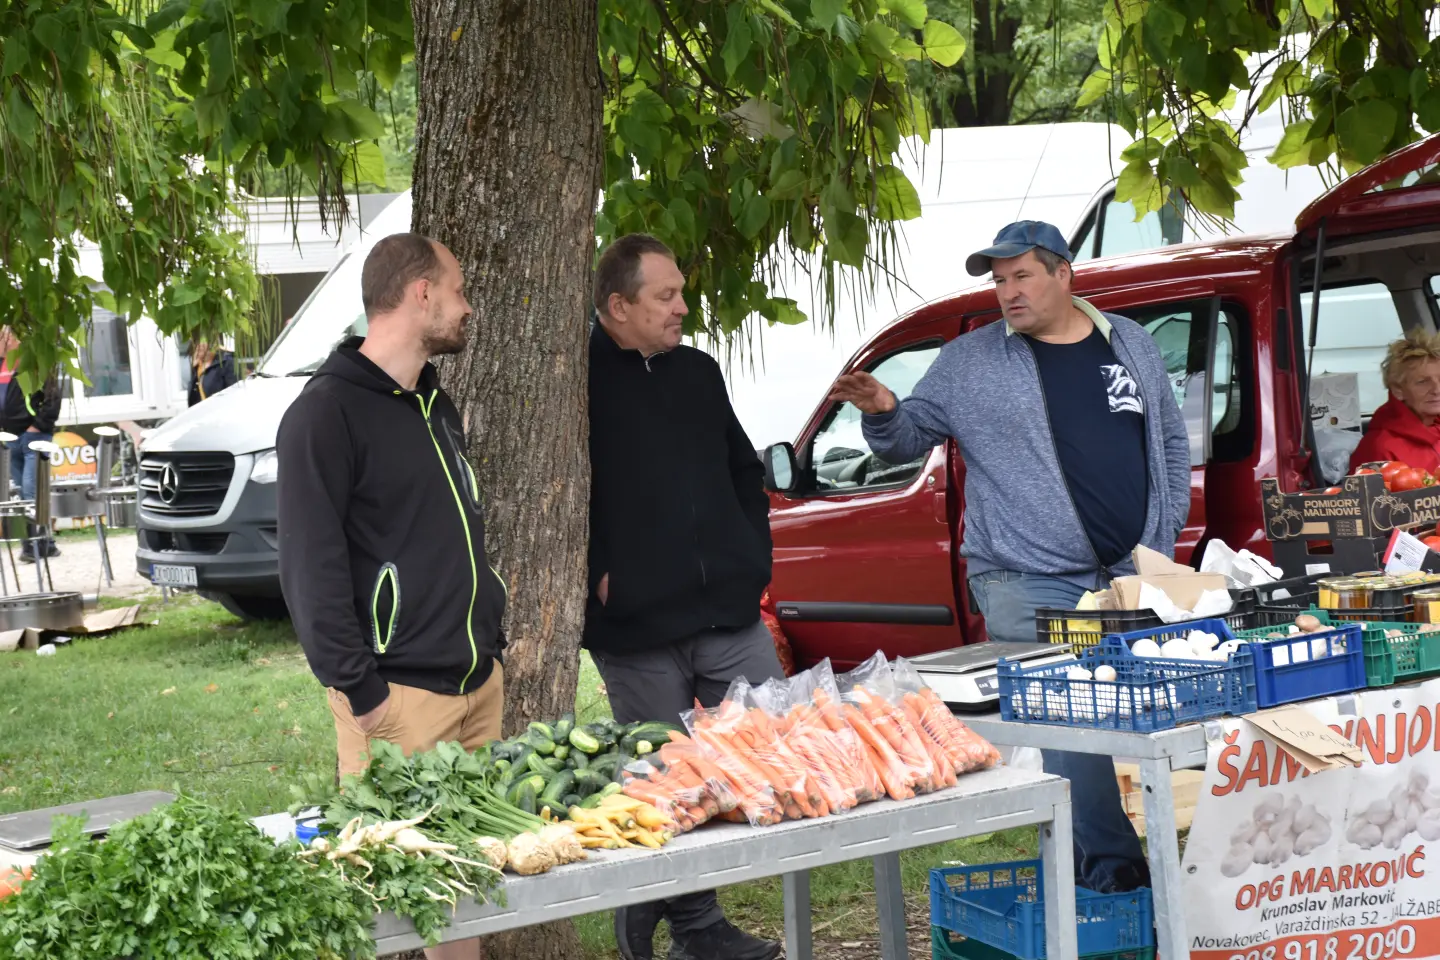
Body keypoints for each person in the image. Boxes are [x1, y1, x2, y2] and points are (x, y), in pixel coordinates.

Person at [830, 220, 1190, 895]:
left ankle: (1104, 866)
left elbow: (1168, 442)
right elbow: (907, 437)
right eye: (998, 280)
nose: (1007, 292)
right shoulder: (971, 360)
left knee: (1133, 714)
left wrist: (1160, 541)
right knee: (1072, 721)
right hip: (1025, 576)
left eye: (1021, 275)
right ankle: (1112, 878)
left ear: (1063, 274)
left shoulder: (1130, 343)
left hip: (1127, 573)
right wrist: (882, 409)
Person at [276, 233, 505, 960]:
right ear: (421, 293)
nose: (468, 307)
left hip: (475, 688)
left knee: (463, 902)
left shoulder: (434, 403)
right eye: (459, 289)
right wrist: (361, 690)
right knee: (397, 905)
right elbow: (308, 571)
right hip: (398, 699)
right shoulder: (324, 415)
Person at [587, 234, 781, 960]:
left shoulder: (698, 371)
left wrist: (750, 557)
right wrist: (600, 574)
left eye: (680, 292)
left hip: (728, 612)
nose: (682, 306)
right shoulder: (575, 378)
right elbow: (556, 496)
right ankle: (697, 927)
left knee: (775, 755)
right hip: (635, 625)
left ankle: (652, 901)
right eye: (665, 296)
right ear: (618, 306)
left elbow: (742, 471)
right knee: (667, 782)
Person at [0, 327, 62, 562]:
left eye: (2, 337)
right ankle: (41, 544)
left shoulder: (34, 362)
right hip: (9, 439)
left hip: (34, 438)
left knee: (32, 492)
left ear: (14, 338)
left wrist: (37, 427)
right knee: (20, 495)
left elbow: (53, 398)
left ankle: (36, 545)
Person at [1349, 333, 1440, 474]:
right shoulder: (1380, 447)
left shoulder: (1435, 425)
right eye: (1423, 382)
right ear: (1398, 390)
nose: (1436, 389)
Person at [187, 340, 238, 406]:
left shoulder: (226, 362)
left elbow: (233, 393)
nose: (198, 346)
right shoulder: (197, 366)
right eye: (195, 342)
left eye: (202, 340)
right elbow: (194, 399)